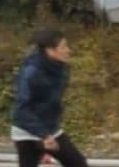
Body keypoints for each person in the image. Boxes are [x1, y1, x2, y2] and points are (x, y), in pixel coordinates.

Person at [12, 29, 89, 167]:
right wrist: (44, 135)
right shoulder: (31, 72)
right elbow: (22, 109)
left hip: (50, 127)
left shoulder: (61, 68)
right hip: (26, 131)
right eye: (63, 47)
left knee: (78, 163)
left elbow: (52, 100)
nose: (68, 50)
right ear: (50, 50)